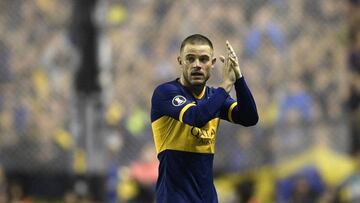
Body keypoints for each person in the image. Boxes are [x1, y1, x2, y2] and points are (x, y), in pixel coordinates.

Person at [150, 34, 258, 203]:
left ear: (212, 63)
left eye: (203, 59)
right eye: (190, 59)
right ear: (180, 61)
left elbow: (249, 118)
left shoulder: (215, 97)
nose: (197, 65)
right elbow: (196, 117)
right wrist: (227, 84)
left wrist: (239, 79)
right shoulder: (165, 93)